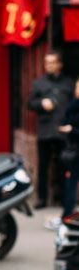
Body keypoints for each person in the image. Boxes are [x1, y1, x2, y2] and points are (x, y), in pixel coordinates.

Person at [28, 51, 74, 209]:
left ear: (59, 64)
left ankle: (62, 198)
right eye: (47, 63)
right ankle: (42, 198)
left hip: (62, 131)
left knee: (63, 165)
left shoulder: (69, 83)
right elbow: (30, 103)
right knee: (43, 166)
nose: (49, 66)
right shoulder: (39, 83)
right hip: (45, 130)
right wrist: (41, 103)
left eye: (52, 62)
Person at [59, 78, 79, 219]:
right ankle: (67, 214)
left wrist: (72, 130)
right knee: (70, 182)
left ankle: (67, 214)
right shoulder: (72, 106)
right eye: (77, 87)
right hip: (73, 150)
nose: (77, 90)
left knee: (71, 183)